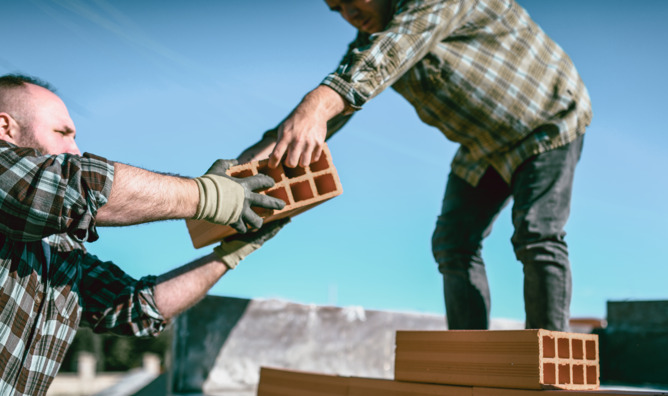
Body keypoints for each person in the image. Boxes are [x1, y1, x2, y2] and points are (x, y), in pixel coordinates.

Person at [238, 0, 592, 331]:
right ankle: (471, 362)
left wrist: (318, 102)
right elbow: (330, 111)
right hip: (483, 146)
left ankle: (549, 368)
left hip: (549, 120)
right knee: (453, 242)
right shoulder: (370, 42)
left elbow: (393, 48)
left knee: (536, 233)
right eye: (337, 9)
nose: (348, 14)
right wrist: (241, 169)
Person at [0, 74, 287, 395]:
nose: (75, 149)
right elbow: (73, 189)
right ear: (5, 127)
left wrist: (229, 255)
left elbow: (138, 307)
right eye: (62, 133)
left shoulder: (58, 251)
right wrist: (210, 196)